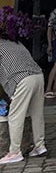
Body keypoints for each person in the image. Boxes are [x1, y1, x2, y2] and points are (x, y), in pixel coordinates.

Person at [0, 23, 46, 164]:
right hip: (38, 75)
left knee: (15, 116)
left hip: (22, 79)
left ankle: (14, 152)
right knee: (37, 113)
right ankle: (39, 146)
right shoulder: (15, 42)